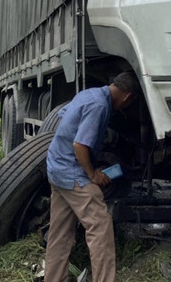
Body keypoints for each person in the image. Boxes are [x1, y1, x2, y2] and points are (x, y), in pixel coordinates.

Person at [44, 71, 140, 282]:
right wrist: (92, 174)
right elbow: (79, 145)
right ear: (128, 97)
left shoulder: (89, 94)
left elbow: (64, 117)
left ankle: (53, 278)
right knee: (100, 228)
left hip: (56, 167)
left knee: (60, 234)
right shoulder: (100, 106)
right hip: (73, 173)